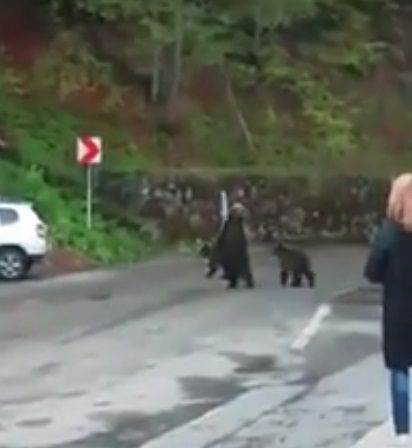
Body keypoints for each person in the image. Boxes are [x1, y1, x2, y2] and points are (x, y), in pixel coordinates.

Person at [364, 173, 412, 446]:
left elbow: (372, 271)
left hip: (399, 310)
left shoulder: (389, 233)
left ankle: (404, 433)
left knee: (400, 369)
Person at [216, 202, 254, 289]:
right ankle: (233, 281)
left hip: (239, 247)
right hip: (229, 248)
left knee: (243, 265)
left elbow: (247, 233)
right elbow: (222, 234)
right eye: (236, 211)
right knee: (230, 265)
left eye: (239, 211)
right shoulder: (228, 223)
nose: (237, 213)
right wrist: (220, 243)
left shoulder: (242, 223)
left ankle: (248, 280)